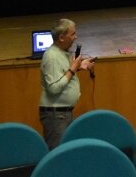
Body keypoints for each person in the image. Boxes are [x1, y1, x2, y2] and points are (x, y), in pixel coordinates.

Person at [39, 18, 95, 149]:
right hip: (56, 115)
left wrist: (79, 66)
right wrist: (73, 69)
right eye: (72, 34)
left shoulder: (61, 54)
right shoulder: (52, 56)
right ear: (62, 37)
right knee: (57, 154)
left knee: (64, 151)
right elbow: (53, 88)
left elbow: (62, 75)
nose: (76, 37)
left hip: (62, 114)